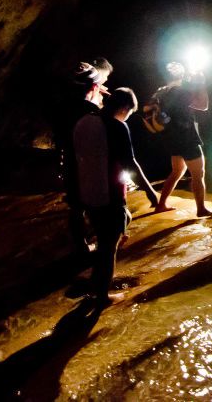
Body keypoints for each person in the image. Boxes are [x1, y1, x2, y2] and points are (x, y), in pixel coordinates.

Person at [73, 87, 146, 305]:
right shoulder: (117, 127)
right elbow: (129, 162)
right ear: (125, 108)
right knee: (108, 246)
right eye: (130, 113)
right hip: (109, 194)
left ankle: (96, 285)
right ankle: (102, 296)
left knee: (106, 239)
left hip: (87, 191)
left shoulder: (84, 122)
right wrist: (151, 194)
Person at [53, 61, 109, 259]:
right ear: (94, 86)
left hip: (69, 161)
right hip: (89, 165)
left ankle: (81, 246)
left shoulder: (61, 108)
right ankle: (104, 245)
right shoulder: (90, 111)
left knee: (76, 207)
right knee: (97, 204)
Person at [154, 61, 212, 216]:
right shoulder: (181, 92)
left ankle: (161, 205)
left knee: (177, 171)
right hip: (187, 137)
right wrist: (201, 82)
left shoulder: (161, 93)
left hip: (171, 138)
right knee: (198, 174)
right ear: (182, 75)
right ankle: (201, 209)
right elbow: (203, 105)